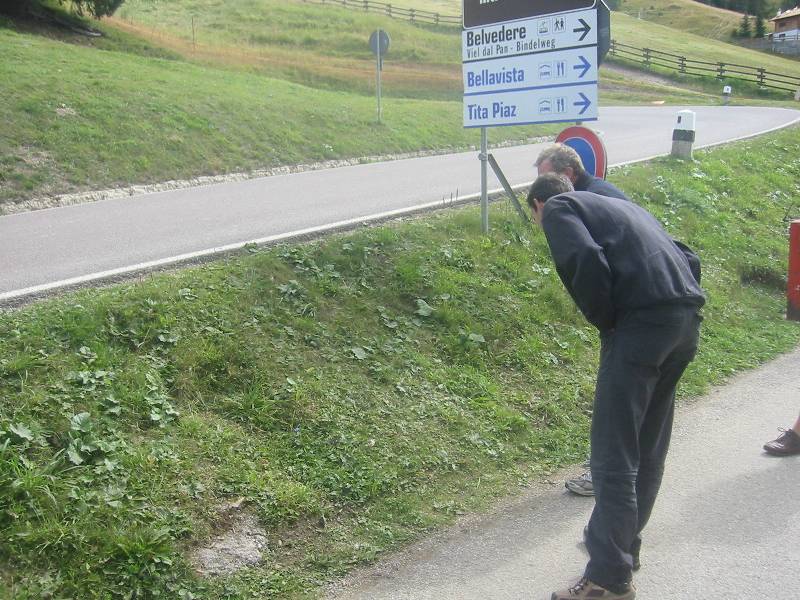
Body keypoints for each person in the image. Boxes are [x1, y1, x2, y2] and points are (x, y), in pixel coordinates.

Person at [527, 174, 705, 600]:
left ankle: (607, 581)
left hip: (639, 326)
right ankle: (622, 552)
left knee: (613, 455)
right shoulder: (624, 207)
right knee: (646, 448)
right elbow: (687, 255)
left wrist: (607, 320)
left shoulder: (559, 207)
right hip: (683, 320)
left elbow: (583, 258)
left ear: (537, 204)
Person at [536, 144, 629, 497]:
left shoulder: (576, 204)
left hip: (629, 316)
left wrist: (605, 319)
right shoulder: (604, 194)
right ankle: (623, 475)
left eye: (547, 178)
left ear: (568, 175)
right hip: (661, 306)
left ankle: (602, 476)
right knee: (634, 402)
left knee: (613, 400)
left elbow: (589, 260)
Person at [536, 143, 629, 201]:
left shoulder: (589, 200)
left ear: (568, 173)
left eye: (547, 179)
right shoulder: (599, 188)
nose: (543, 185)